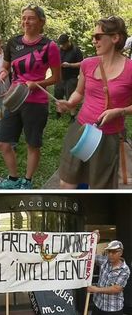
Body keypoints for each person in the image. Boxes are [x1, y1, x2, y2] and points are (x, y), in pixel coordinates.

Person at [56, 17, 132, 189]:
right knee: (67, 182)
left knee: (99, 188)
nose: (93, 40)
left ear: (115, 38)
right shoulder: (87, 64)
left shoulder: (130, 69)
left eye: (98, 36)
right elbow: (78, 92)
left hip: (109, 137)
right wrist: (69, 103)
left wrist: (120, 112)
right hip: (82, 131)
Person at [0, 5, 61, 189]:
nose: (26, 21)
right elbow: (5, 66)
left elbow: (56, 77)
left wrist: (38, 84)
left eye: (30, 18)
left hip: (36, 102)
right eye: (23, 18)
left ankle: (28, 181)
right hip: (14, 99)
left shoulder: (50, 46)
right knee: (2, 142)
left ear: (41, 21)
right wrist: (2, 73)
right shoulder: (13, 43)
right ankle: (13, 179)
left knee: (33, 144)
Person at [54, 34, 83, 119]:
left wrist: (69, 65)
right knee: (58, 95)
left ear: (68, 42)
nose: (62, 46)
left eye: (63, 44)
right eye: (61, 44)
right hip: (60, 77)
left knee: (70, 96)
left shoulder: (76, 50)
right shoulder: (59, 50)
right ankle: (58, 114)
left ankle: (72, 116)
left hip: (72, 77)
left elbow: (81, 64)